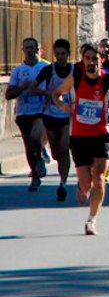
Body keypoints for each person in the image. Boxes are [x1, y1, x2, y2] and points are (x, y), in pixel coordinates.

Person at [51, 44, 109, 235]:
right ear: (83, 60)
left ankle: (91, 220)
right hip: (79, 136)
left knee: (99, 177)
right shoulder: (76, 77)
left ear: (101, 60)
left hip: (101, 134)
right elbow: (56, 94)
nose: (91, 62)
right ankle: (82, 186)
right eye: (87, 58)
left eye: (95, 59)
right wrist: (62, 106)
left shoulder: (108, 79)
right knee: (87, 184)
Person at [31, 38, 74, 201]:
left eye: (63, 54)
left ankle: (63, 183)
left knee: (64, 149)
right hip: (50, 114)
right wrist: (48, 94)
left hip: (67, 116)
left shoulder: (74, 70)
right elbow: (34, 87)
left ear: (68, 54)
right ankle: (52, 158)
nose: (60, 57)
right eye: (57, 54)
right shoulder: (49, 70)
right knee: (56, 152)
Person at [6, 38, 49, 192]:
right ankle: (36, 175)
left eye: (32, 47)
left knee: (36, 138)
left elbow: (56, 90)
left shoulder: (45, 67)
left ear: (38, 49)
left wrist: (44, 95)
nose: (30, 51)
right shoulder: (18, 70)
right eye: (26, 48)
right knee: (29, 146)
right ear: (23, 50)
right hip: (23, 112)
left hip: (41, 111)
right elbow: (8, 94)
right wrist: (21, 88)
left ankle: (40, 159)